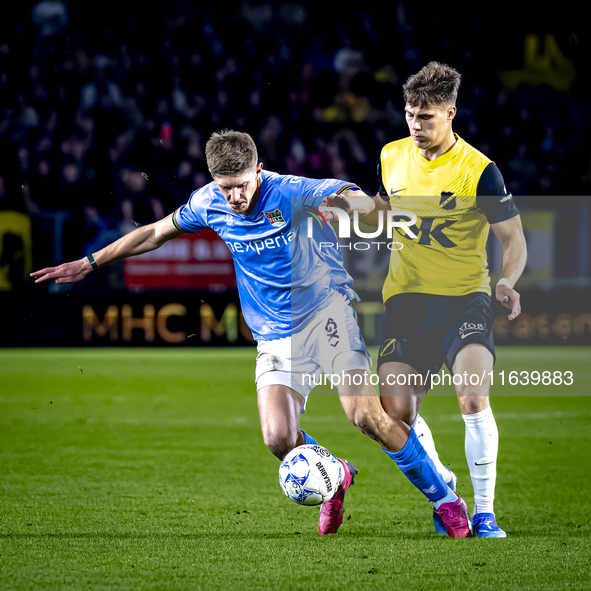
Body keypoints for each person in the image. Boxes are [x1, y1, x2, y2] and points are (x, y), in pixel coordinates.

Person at [31, 129, 473, 537]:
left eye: (243, 184)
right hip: (275, 333)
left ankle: (446, 501)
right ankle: (335, 474)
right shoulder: (207, 202)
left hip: (328, 315)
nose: (237, 196)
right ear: (213, 181)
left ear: (258, 170)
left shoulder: (288, 191)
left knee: (364, 416)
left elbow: (341, 191)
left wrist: (363, 206)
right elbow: (153, 233)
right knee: (279, 439)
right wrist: (88, 263)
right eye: (227, 188)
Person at [324, 62, 527, 538]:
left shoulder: (480, 171)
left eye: (427, 116)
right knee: (396, 413)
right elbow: (384, 213)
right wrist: (353, 213)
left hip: (466, 300)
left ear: (451, 112)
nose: (416, 125)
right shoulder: (391, 155)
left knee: (473, 395)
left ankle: (485, 513)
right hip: (408, 303)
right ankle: (445, 485)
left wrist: (507, 280)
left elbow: (514, 240)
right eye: (410, 114)